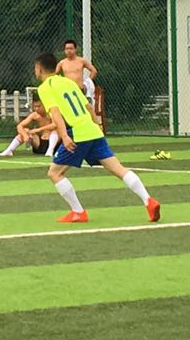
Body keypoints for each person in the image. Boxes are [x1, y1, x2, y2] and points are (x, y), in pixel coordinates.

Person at [35, 52, 160, 224]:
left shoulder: (45, 87)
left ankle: (78, 212)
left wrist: (64, 136)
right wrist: (97, 127)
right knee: (119, 169)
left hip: (77, 133)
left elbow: (55, 113)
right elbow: (88, 107)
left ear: (39, 68)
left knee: (54, 173)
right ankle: (148, 200)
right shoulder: (68, 82)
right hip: (93, 130)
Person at [58, 39, 98, 106]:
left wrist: (87, 82)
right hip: (68, 91)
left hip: (80, 90)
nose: (69, 51)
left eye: (71, 48)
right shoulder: (62, 63)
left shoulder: (81, 61)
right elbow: (54, 74)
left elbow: (93, 71)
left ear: (75, 49)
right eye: (67, 49)